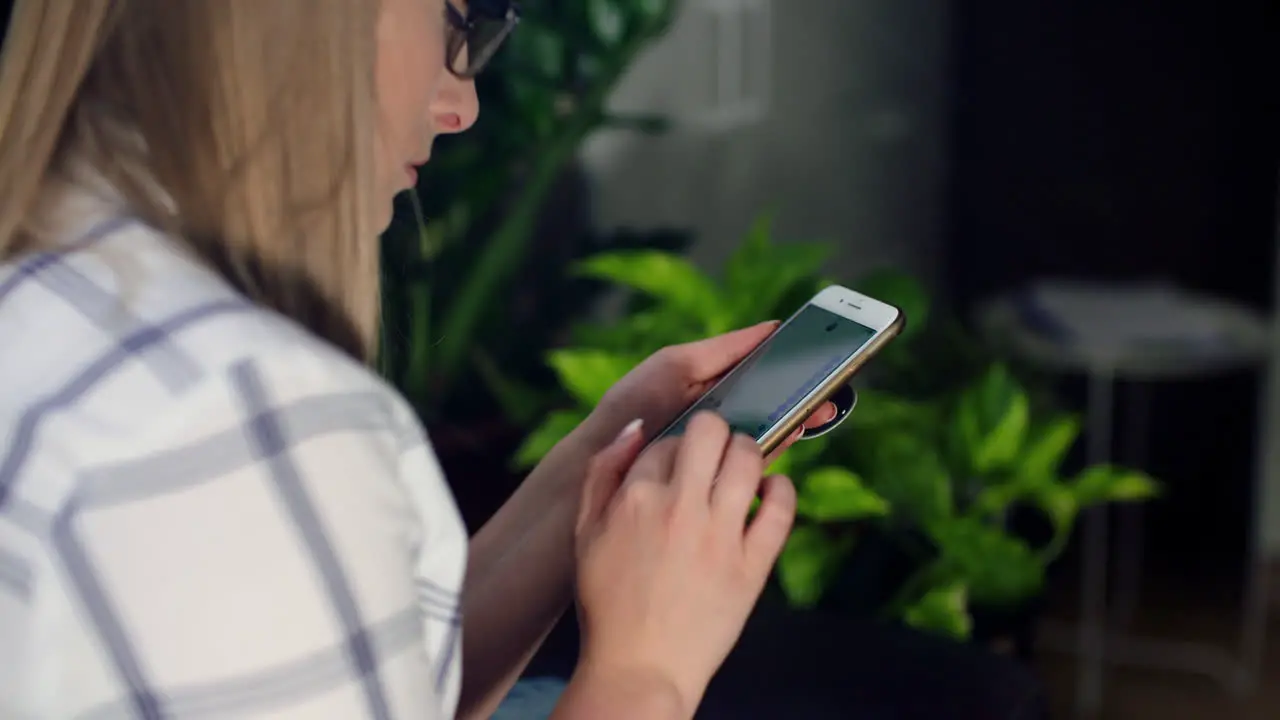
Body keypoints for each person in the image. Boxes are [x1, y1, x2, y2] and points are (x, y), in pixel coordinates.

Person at [0, 2, 838, 718]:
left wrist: (604, 450)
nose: (461, 104)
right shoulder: (235, 414)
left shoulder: (59, 276)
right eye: (457, 18)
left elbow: (371, 677)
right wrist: (646, 671)